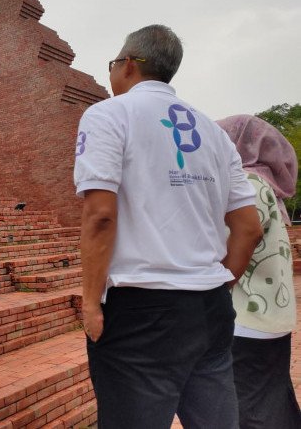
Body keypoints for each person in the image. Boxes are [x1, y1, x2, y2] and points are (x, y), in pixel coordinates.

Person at [73, 24, 263, 429]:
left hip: (141, 309)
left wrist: (90, 302)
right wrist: (219, 282)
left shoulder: (108, 114)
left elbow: (100, 215)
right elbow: (248, 228)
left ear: (126, 65)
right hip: (209, 307)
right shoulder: (213, 133)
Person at [218, 114, 301, 429]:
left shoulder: (249, 185)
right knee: (275, 399)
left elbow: (232, 242)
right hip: (270, 318)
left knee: (250, 409)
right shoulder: (268, 186)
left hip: (247, 321)